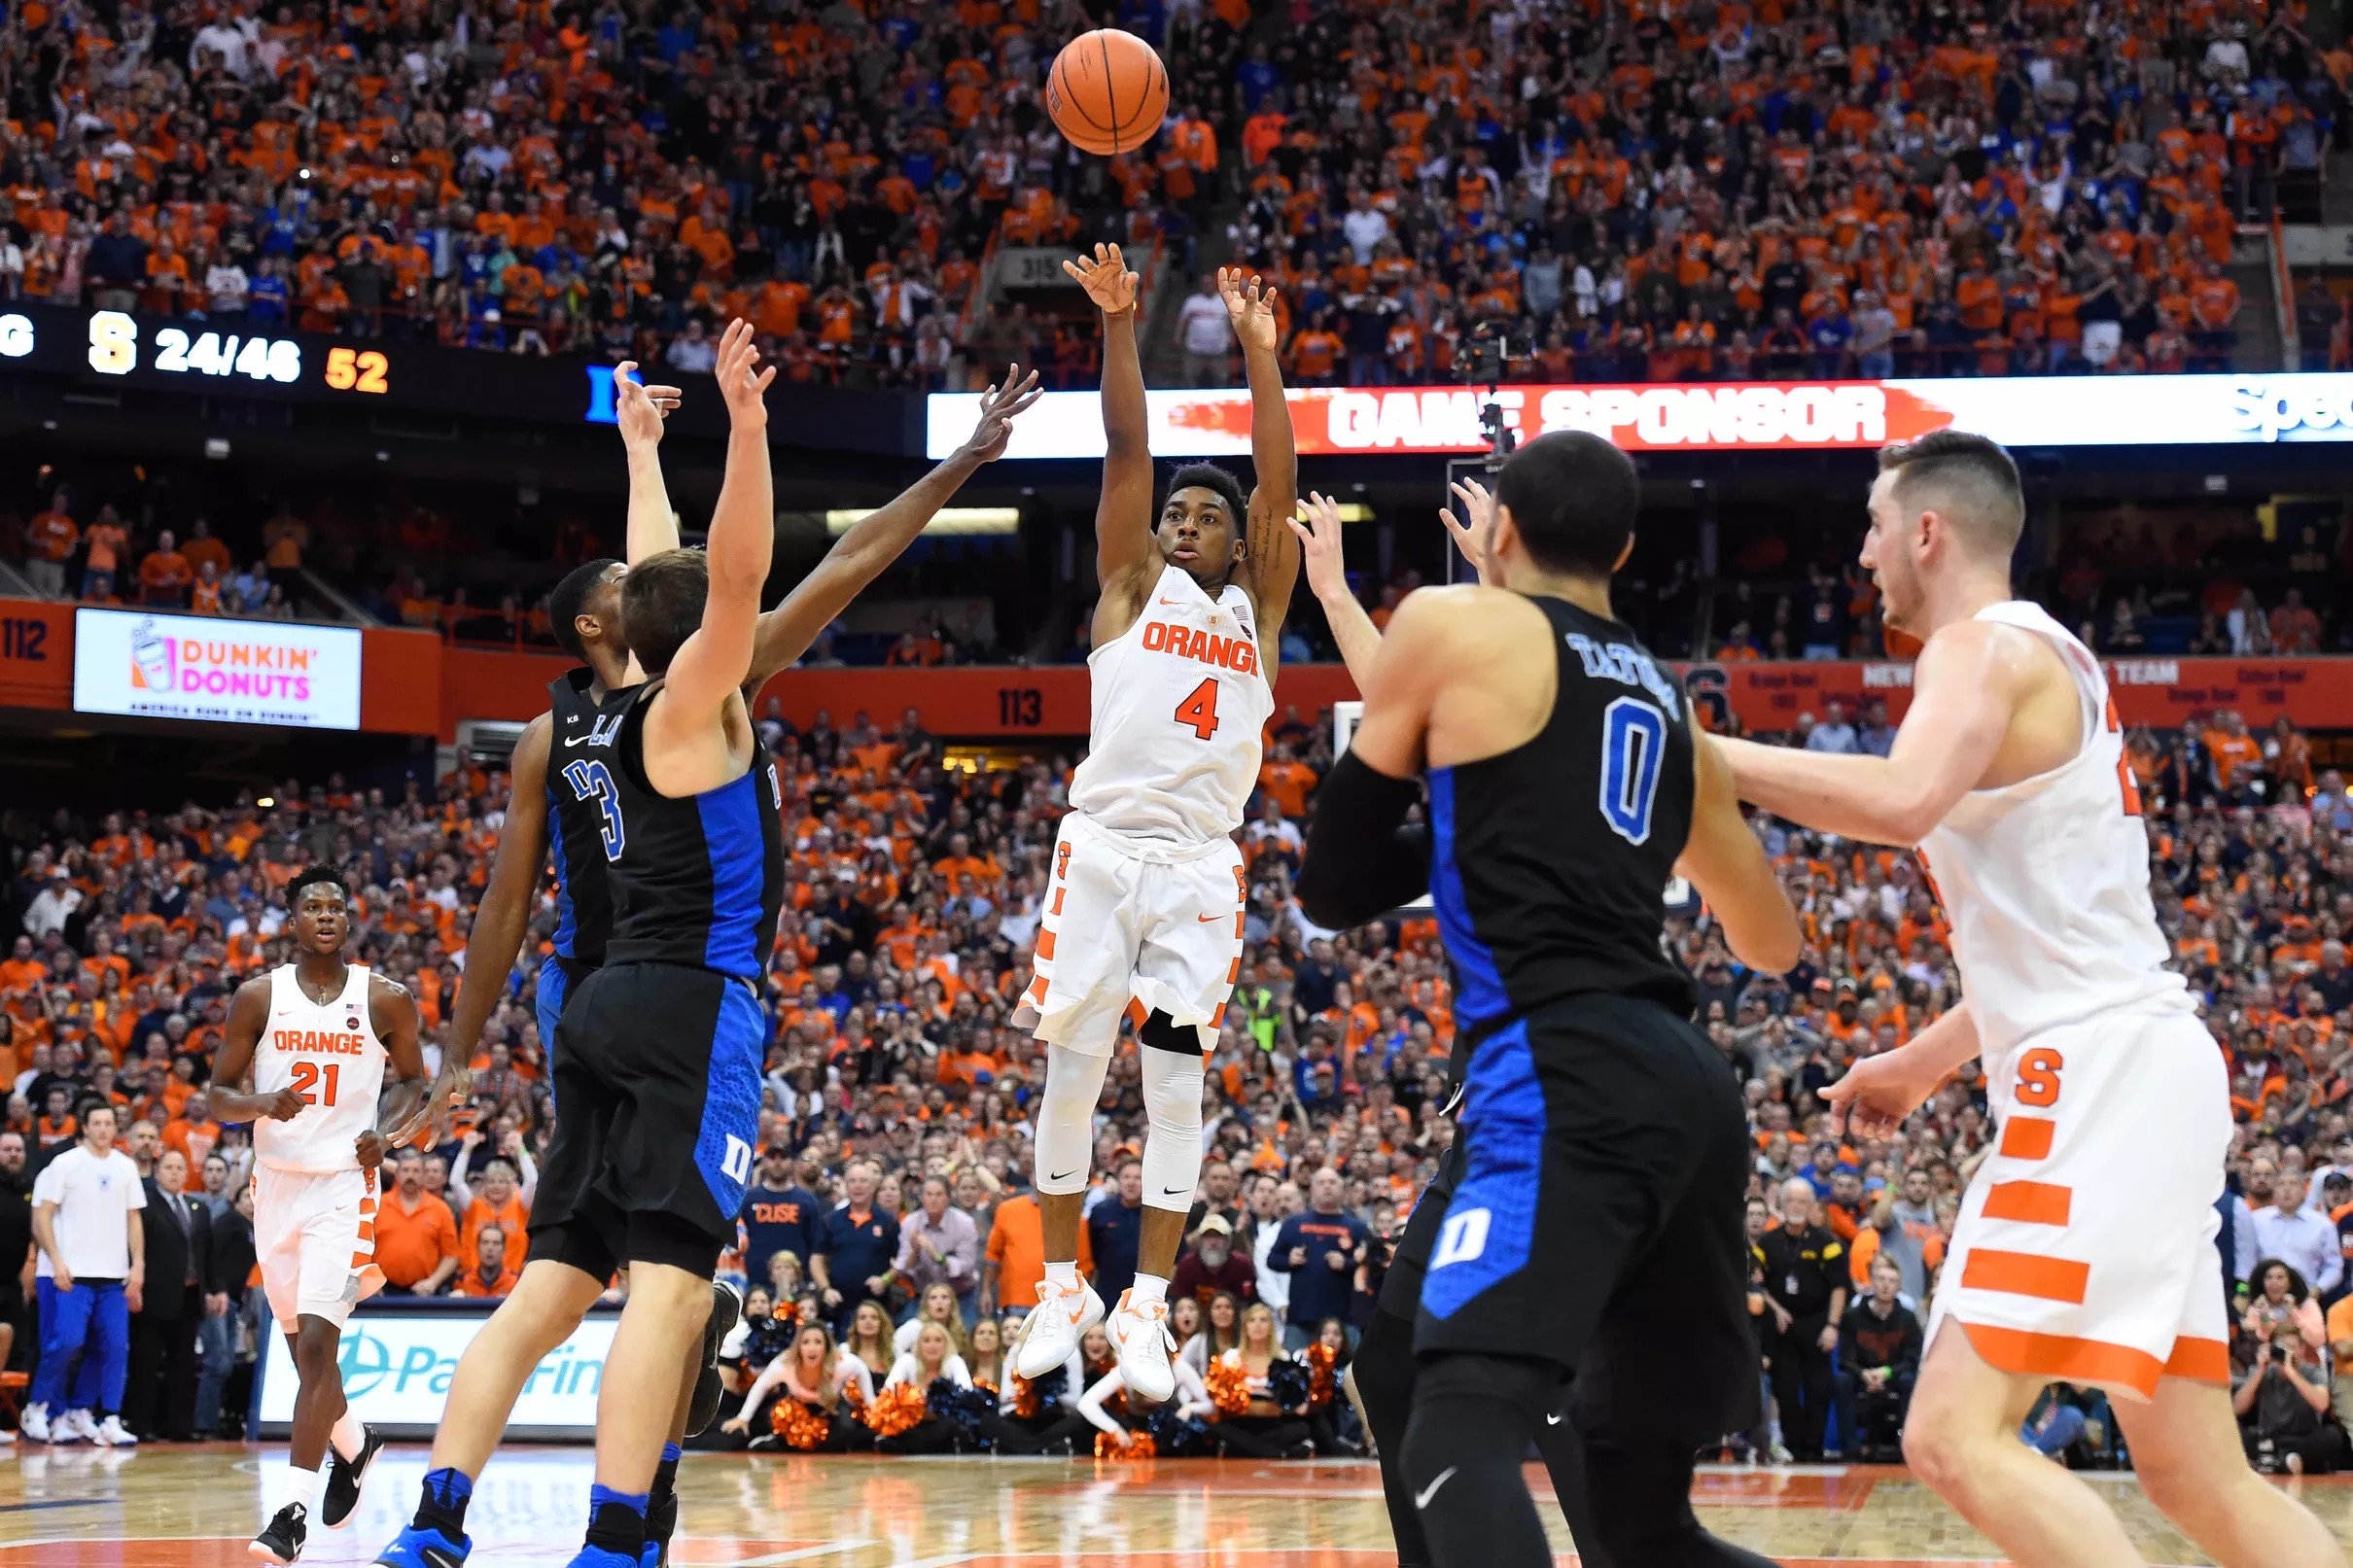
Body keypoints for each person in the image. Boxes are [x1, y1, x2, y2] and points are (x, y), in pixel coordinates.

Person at [371, 358, 1036, 1568]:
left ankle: (434, 1525)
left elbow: (671, 578)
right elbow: (773, 570)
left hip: (589, 999)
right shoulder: (699, 703)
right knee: (673, 1283)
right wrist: (750, 421)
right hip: (689, 997)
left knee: (549, 1284)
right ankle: (616, 1537)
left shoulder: (575, 719)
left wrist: (636, 450)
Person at [1723, 430, 2344, 1568]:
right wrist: (1923, 1058)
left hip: (2095, 1080)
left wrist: (1707, 753)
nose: (1858, 554)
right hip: (2134, 1055)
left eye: (1871, 526)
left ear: (1925, 531)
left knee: (1952, 1433)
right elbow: (2065, 943)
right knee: (2193, 1471)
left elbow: (1905, 798)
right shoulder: (2052, 657)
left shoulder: (1976, 649)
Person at [1295, 429, 1801, 1568]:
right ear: (1622, 548)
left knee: (1457, 1422)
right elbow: (1770, 941)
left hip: (1558, 1066)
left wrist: (1463, 818)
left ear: (1501, 532)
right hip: (1688, 1088)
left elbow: (1327, 885)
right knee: (1640, 1529)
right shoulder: (1673, 707)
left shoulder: (1447, 623)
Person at [1284, 485, 1612, 1567]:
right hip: (1506, 1093)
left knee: (1539, 1372)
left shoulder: (1548, 733)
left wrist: (1480, 584)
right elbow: (1426, 686)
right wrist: (1331, 586)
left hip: (1561, 1084)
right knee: (1391, 1367)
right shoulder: (1502, 742)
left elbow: (1476, 682)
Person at [1012, 250, 1298, 1404]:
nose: (1181, 522)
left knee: (1176, 1086)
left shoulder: (1257, 611)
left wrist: (1261, 355)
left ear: (1235, 544)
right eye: (1173, 513)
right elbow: (1125, 450)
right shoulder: (1130, 590)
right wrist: (1119, 326)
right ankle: (1057, 1287)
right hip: (1103, 846)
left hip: (1197, 866)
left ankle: (1140, 1302)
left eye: (1202, 515)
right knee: (1073, 1073)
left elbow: (1275, 485)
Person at [208, 866, 428, 1563]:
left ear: (349, 918)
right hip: (274, 1185)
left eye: (336, 905)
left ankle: (291, 1514)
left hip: (344, 1183)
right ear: (292, 919)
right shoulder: (258, 996)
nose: (326, 914)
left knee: (315, 1350)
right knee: (303, 1352)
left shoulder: (385, 998)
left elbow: (417, 1083)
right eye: (313, 905)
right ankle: (356, 1444)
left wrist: (387, 1135)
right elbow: (216, 1094)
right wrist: (258, 1104)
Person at [25, 1100, 147, 1447]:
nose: (104, 1129)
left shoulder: (126, 1167)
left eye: (109, 1123)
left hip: (113, 1275)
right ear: (85, 1127)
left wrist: (137, 1265)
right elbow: (42, 1216)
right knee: (67, 1341)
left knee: (113, 1347)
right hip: (73, 1274)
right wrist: (57, 1261)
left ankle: (98, 1414)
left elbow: (134, 1219)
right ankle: (40, 1405)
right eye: (97, 1123)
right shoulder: (64, 1164)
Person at [1756, 1179, 1846, 1461]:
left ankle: (1813, 1448)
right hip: (1782, 1327)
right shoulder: (1766, 1243)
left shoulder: (1827, 1243)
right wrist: (1776, 1308)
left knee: (1818, 1389)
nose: (1797, 1206)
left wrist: (1832, 1326)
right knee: (1785, 1389)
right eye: (1791, 1201)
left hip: (1817, 1323)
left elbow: (1839, 1287)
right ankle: (1792, 1447)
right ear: (1782, 1205)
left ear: (1811, 1206)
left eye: (1803, 1202)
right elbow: (1755, 1283)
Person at [124, 1147, 210, 1440]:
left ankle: (179, 1427)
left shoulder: (197, 1207)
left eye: (179, 1168)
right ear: (157, 1172)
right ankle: (141, 1425)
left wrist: (214, 1289)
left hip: (189, 1296)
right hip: (153, 1297)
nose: (174, 1172)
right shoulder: (145, 1207)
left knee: (184, 1365)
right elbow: (133, 1250)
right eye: (169, 1167)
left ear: (187, 1173)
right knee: (145, 1363)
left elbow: (206, 1254)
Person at [1263, 1167, 1369, 1349]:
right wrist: (1289, 1260)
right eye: (1321, 1182)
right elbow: (1272, 1260)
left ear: (1343, 1190)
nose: (1327, 1187)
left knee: (1348, 1376)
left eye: (1332, 1182)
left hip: (1344, 1319)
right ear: (1311, 1190)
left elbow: (1370, 1268)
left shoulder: (1357, 1227)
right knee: (1296, 1374)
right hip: (1302, 1317)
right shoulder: (1294, 1224)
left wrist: (1347, 1264)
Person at [1835, 1254, 1922, 1463]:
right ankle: (1851, 1449)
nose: (1885, 1286)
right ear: (1872, 1282)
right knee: (1842, 1381)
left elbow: (1912, 1357)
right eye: (1881, 1280)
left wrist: (1887, 1373)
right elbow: (1845, 1358)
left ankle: (1907, 1449)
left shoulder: (1907, 1319)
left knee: (1909, 1380)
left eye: (1891, 1281)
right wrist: (1863, 1374)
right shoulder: (1852, 1316)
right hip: (1862, 1374)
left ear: (1898, 1287)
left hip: (1893, 1374)